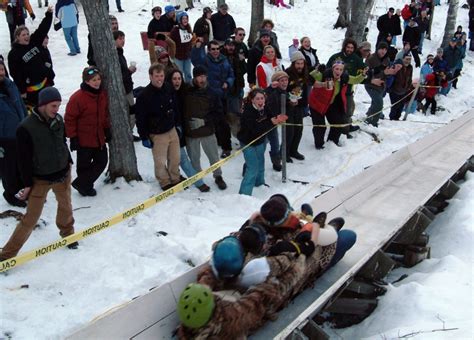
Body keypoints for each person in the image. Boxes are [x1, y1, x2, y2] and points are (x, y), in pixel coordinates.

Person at [0, 87, 78, 261]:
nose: (56, 109)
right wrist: (27, 184)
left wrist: (68, 162)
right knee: (30, 218)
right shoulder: (25, 128)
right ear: (42, 105)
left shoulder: (57, 119)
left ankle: (68, 235)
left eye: (58, 105)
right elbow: (23, 160)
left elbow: (62, 142)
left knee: (65, 207)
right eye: (53, 106)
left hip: (62, 174)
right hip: (40, 179)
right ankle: (6, 256)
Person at [65, 67, 110, 196]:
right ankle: (86, 187)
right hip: (83, 139)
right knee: (83, 166)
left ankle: (81, 183)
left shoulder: (102, 95)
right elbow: (70, 118)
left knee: (102, 161)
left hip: (99, 137)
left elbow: (104, 114)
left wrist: (106, 129)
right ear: (86, 81)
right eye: (93, 80)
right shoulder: (78, 98)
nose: (96, 82)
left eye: (98, 79)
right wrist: (73, 137)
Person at [135, 64, 181, 191]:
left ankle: (175, 177)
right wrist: (144, 136)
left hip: (171, 130)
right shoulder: (144, 96)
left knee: (175, 158)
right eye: (156, 76)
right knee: (160, 162)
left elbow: (175, 106)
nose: (159, 79)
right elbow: (140, 119)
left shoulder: (168, 87)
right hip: (157, 133)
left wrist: (178, 124)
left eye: (161, 76)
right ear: (150, 77)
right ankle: (164, 181)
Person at [182, 66, 228, 190]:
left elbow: (219, 113)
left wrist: (204, 121)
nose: (202, 79)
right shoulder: (185, 91)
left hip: (208, 131)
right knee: (194, 159)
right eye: (199, 76)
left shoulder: (212, 93)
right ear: (194, 77)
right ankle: (199, 180)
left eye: (204, 76)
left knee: (213, 157)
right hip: (191, 132)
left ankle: (218, 176)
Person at [166, 69, 210, 193]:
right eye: (174, 79)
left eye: (179, 78)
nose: (177, 81)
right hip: (169, 131)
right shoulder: (166, 93)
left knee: (175, 157)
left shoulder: (184, 92)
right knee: (182, 158)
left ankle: (174, 175)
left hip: (181, 130)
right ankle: (199, 183)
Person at [192, 40, 235, 158]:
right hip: (211, 95)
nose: (215, 51)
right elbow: (195, 61)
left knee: (224, 120)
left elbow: (231, 74)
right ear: (209, 50)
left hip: (224, 94)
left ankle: (225, 143)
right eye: (213, 49)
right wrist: (197, 48)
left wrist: (228, 82)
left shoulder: (224, 59)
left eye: (217, 49)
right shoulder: (205, 60)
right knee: (218, 120)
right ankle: (224, 145)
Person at [309, 61, 366, 149]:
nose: (338, 71)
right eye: (336, 69)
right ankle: (319, 145)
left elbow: (355, 80)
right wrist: (316, 70)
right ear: (332, 69)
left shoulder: (344, 77)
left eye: (341, 69)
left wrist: (363, 75)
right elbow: (311, 76)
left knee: (338, 122)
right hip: (317, 103)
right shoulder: (324, 75)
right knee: (320, 126)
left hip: (330, 103)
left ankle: (332, 142)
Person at [238, 89, 282, 196]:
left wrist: (277, 118)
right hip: (248, 143)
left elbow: (271, 116)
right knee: (252, 167)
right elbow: (256, 130)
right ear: (252, 100)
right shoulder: (248, 112)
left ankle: (259, 183)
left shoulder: (265, 107)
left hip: (260, 141)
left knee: (261, 163)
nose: (260, 100)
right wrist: (271, 123)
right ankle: (244, 193)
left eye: (262, 98)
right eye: (257, 99)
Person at [8, 6, 53, 108]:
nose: (27, 36)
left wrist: (49, 15)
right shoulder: (14, 54)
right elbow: (15, 73)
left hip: (45, 84)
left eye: (27, 34)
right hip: (31, 92)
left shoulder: (33, 42)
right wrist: (22, 90)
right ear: (17, 37)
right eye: (23, 35)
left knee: (49, 108)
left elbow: (42, 29)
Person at [0, 60, 27, 207]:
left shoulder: (10, 85)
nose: (1, 73)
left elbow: (20, 106)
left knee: (21, 164)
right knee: (8, 168)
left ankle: (22, 190)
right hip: (3, 138)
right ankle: (10, 193)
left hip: (19, 131)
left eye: (2, 70)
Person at [327, 38, 366, 135]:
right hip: (335, 89)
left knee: (349, 109)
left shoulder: (356, 58)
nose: (349, 49)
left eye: (352, 48)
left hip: (348, 89)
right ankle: (343, 130)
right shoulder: (336, 57)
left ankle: (347, 126)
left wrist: (365, 72)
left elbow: (363, 68)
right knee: (338, 111)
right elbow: (327, 70)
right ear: (344, 47)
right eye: (348, 47)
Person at [364, 42, 399, 127]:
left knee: (375, 103)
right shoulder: (371, 58)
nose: (383, 51)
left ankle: (368, 116)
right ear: (378, 49)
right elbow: (366, 73)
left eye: (385, 49)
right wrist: (382, 73)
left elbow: (386, 74)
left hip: (381, 86)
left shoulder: (387, 60)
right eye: (381, 49)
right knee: (379, 103)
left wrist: (389, 73)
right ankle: (373, 122)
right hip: (371, 85)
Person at [113, 30, 138, 140]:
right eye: (120, 39)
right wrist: (129, 71)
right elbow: (118, 75)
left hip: (127, 87)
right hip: (124, 89)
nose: (123, 41)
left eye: (123, 38)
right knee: (130, 111)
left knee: (131, 111)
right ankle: (127, 134)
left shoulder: (120, 52)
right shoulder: (115, 55)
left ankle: (129, 132)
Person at [221, 37, 247, 138]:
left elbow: (244, 70)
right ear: (225, 46)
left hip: (238, 88)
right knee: (229, 115)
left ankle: (238, 136)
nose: (231, 47)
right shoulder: (221, 57)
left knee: (237, 114)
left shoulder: (238, 56)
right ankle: (233, 136)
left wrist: (241, 62)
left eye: (232, 45)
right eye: (229, 45)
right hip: (226, 91)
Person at [285, 51, 308, 161]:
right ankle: (285, 153)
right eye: (297, 64)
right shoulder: (287, 74)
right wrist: (288, 100)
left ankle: (294, 151)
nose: (300, 66)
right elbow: (282, 90)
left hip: (299, 106)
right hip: (288, 107)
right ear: (293, 63)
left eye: (301, 63)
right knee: (290, 131)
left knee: (299, 130)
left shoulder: (304, 74)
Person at [264, 71, 290, 171]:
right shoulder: (272, 92)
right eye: (282, 80)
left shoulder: (284, 93)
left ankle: (276, 163)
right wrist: (271, 87)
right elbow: (265, 95)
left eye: (286, 80)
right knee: (260, 147)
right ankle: (248, 167)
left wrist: (291, 103)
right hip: (265, 124)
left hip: (273, 124)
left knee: (275, 145)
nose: (285, 82)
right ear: (276, 82)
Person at [170, 11, 193, 83]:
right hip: (178, 56)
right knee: (179, 74)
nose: (185, 20)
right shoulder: (175, 30)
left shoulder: (188, 28)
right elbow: (171, 44)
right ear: (179, 20)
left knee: (188, 73)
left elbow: (191, 40)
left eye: (186, 18)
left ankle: (189, 87)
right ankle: (180, 87)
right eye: (183, 18)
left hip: (187, 56)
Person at [388, 55, 413, 121]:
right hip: (394, 89)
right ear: (403, 59)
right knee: (395, 105)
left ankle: (397, 118)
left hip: (404, 90)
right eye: (407, 59)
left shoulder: (410, 67)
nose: (408, 61)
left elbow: (410, 78)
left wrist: (408, 87)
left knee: (401, 105)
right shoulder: (398, 65)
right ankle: (392, 118)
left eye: (409, 59)